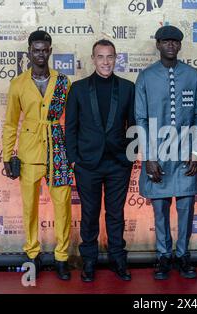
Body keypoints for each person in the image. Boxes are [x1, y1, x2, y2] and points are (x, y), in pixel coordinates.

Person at [135, 25, 197, 280]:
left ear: (180, 45)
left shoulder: (192, 74)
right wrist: (148, 157)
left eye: (175, 41)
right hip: (158, 155)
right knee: (160, 209)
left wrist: (196, 152)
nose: (171, 46)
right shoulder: (145, 76)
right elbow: (140, 119)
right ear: (158, 45)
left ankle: (183, 255)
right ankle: (164, 256)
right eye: (166, 41)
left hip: (186, 154)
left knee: (186, 207)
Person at [2, 30, 73, 281]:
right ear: (29, 52)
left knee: (63, 206)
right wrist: (7, 155)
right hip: (29, 153)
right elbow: (11, 123)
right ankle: (32, 254)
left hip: (58, 151)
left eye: (45, 50)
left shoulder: (64, 81)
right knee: (29, 207)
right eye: (36, 50)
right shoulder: (18, 84)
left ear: (50, 51)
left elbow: (73, 119)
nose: (40, 54)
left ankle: (62, 257)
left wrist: (73, 150)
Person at [65, 40, 135, 282]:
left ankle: (118, 259)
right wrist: (73, 160)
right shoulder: (78, 88)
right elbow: (70, 127)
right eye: (101, 57)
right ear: (93, 59)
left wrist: (130, 156)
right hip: (87, 164)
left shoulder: (127, 88)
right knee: (90, 213)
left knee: (116, 214)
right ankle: (89, 261)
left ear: (116, 59)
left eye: (110, 57)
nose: (106, 62)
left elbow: (133, 125)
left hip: (118, 163)